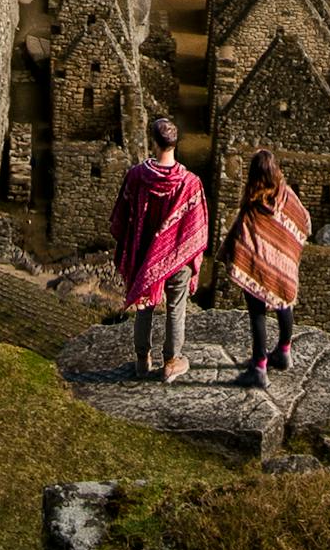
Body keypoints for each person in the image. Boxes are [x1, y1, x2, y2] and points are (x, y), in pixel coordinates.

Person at [109, 116, 209, 384]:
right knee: (176, 307)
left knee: (145, 303)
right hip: (177, 257)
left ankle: (142, 361)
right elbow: (197, 226)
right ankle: (171, 363)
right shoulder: (190, 183)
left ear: (154, 143)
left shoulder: (138, 176)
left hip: (145, 254)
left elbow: (121, 216)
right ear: (175, 144)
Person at [223, 148, 310, 389]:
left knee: (258, 314)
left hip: (258, 269)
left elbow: (242, 242)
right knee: (285, 305)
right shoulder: (287, 195)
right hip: (284, 269)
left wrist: (233, 254)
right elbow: (304, 220)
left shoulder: (253, 207)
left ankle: (260, 367)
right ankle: (284, 351)